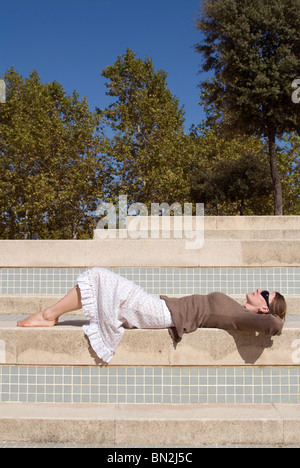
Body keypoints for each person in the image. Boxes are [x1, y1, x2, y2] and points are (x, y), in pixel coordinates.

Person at [17, 267, 287, 363]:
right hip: (159, 307)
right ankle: (49, 314)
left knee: (99, 276)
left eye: (265, 294)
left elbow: (275, 324)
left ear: (264, 308)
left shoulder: (243, 317)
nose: (258, 289)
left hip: (160, 313)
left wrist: (273, 317)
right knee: (103, 281)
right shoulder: (238, 311)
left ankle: (48, 314)